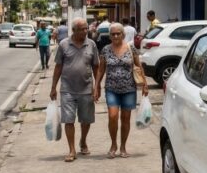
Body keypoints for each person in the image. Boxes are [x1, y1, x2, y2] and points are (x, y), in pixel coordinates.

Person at [95, 22, 148, 158]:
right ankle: (113, 144)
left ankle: (123, 146)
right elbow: (101, 69)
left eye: (118, 33)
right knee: (112, 116)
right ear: (110, 36)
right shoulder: (106, 50)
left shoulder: (131, 48)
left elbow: (139, 66)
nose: (116, 36)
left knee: (126, 118)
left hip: (129, 88)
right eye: (113, 34)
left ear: (123, 35)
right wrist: (96, 87)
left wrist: (145, 84)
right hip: (111, 88)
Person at [49, 19, 99, 162]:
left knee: (86, 120)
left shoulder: (92, 44)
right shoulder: (64, 44)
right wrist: (53, 87)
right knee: (68, 120)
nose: (85, 31)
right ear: (74, 30)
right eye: (82, 29)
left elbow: (96, 66)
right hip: (67, 89)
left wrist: (97, 86)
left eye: (86, 29)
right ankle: (72, 150)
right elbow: (58, 67)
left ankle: (83, 141)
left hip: (86, 88)